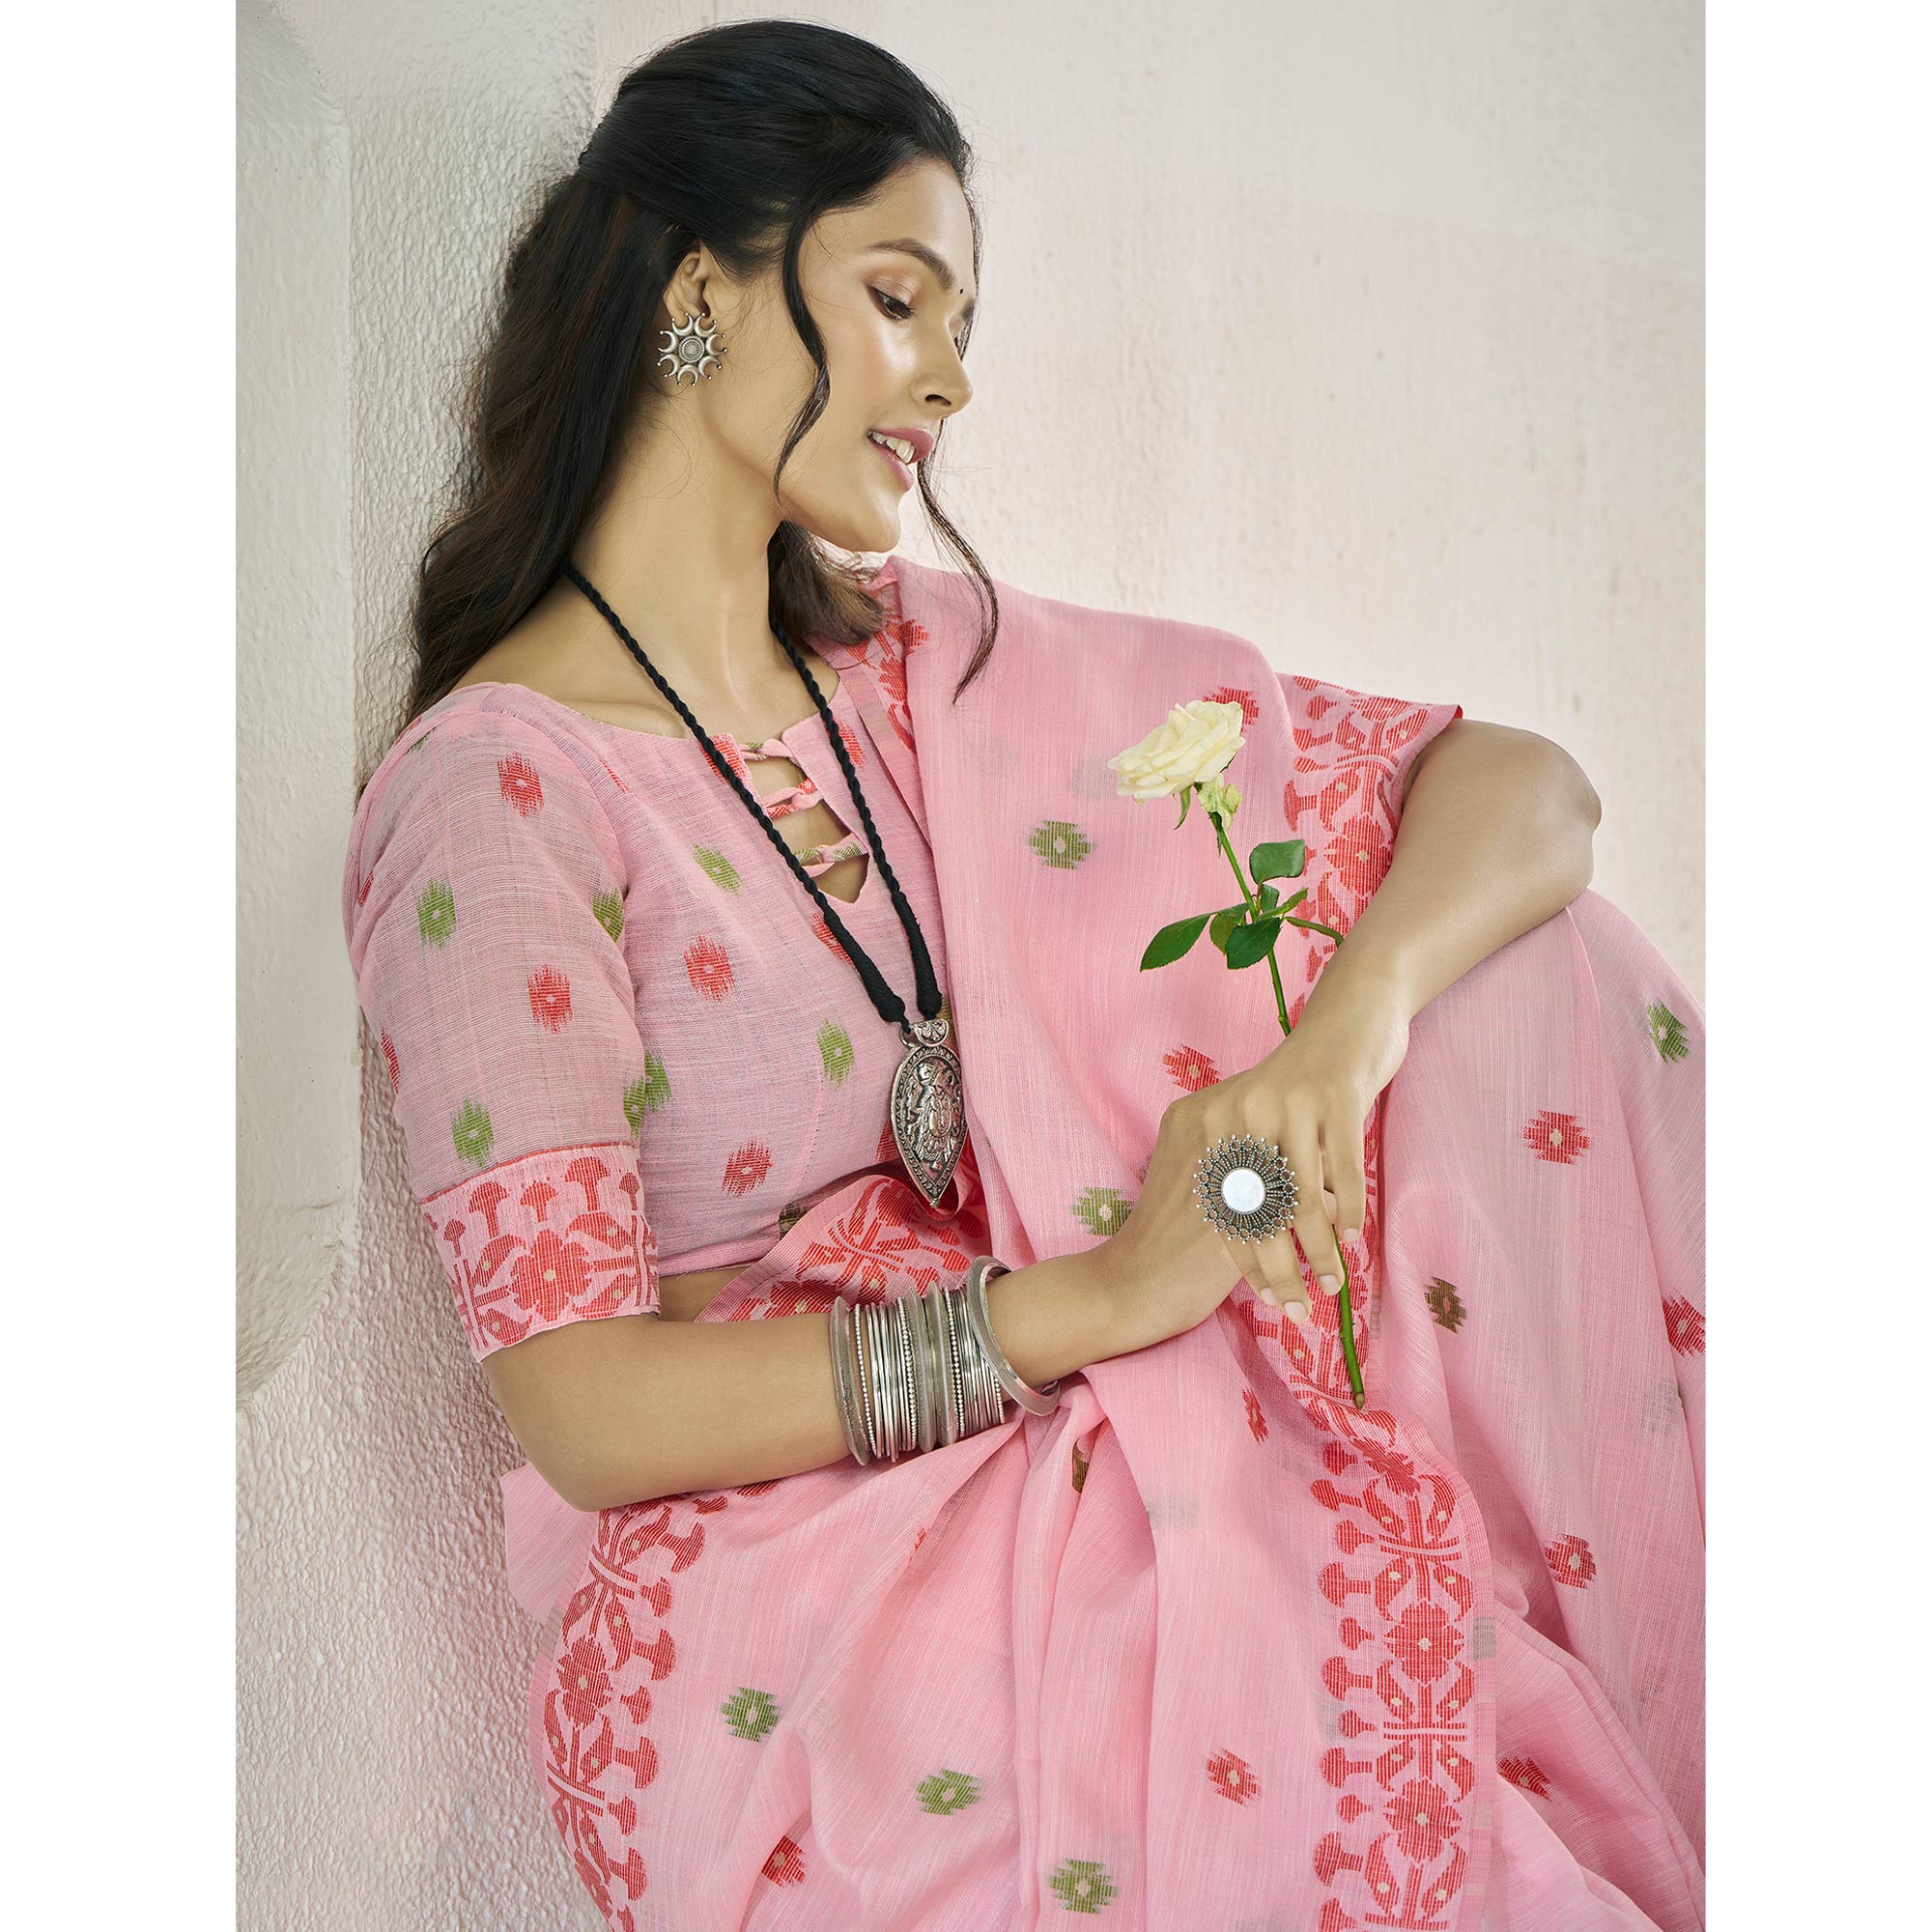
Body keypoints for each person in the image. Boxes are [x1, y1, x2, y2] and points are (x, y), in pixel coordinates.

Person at [341, 21, 1703, 1931]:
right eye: (901, 299)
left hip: (1109, 1431)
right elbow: (584, 1405)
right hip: (808, 1614)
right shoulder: (499, 792)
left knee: (1515, 977)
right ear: (695, 286)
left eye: (959, 320)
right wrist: (1095, 1298)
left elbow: (1524, 796)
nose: (950, 381)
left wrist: (1335, 1047)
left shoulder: (942, 681)